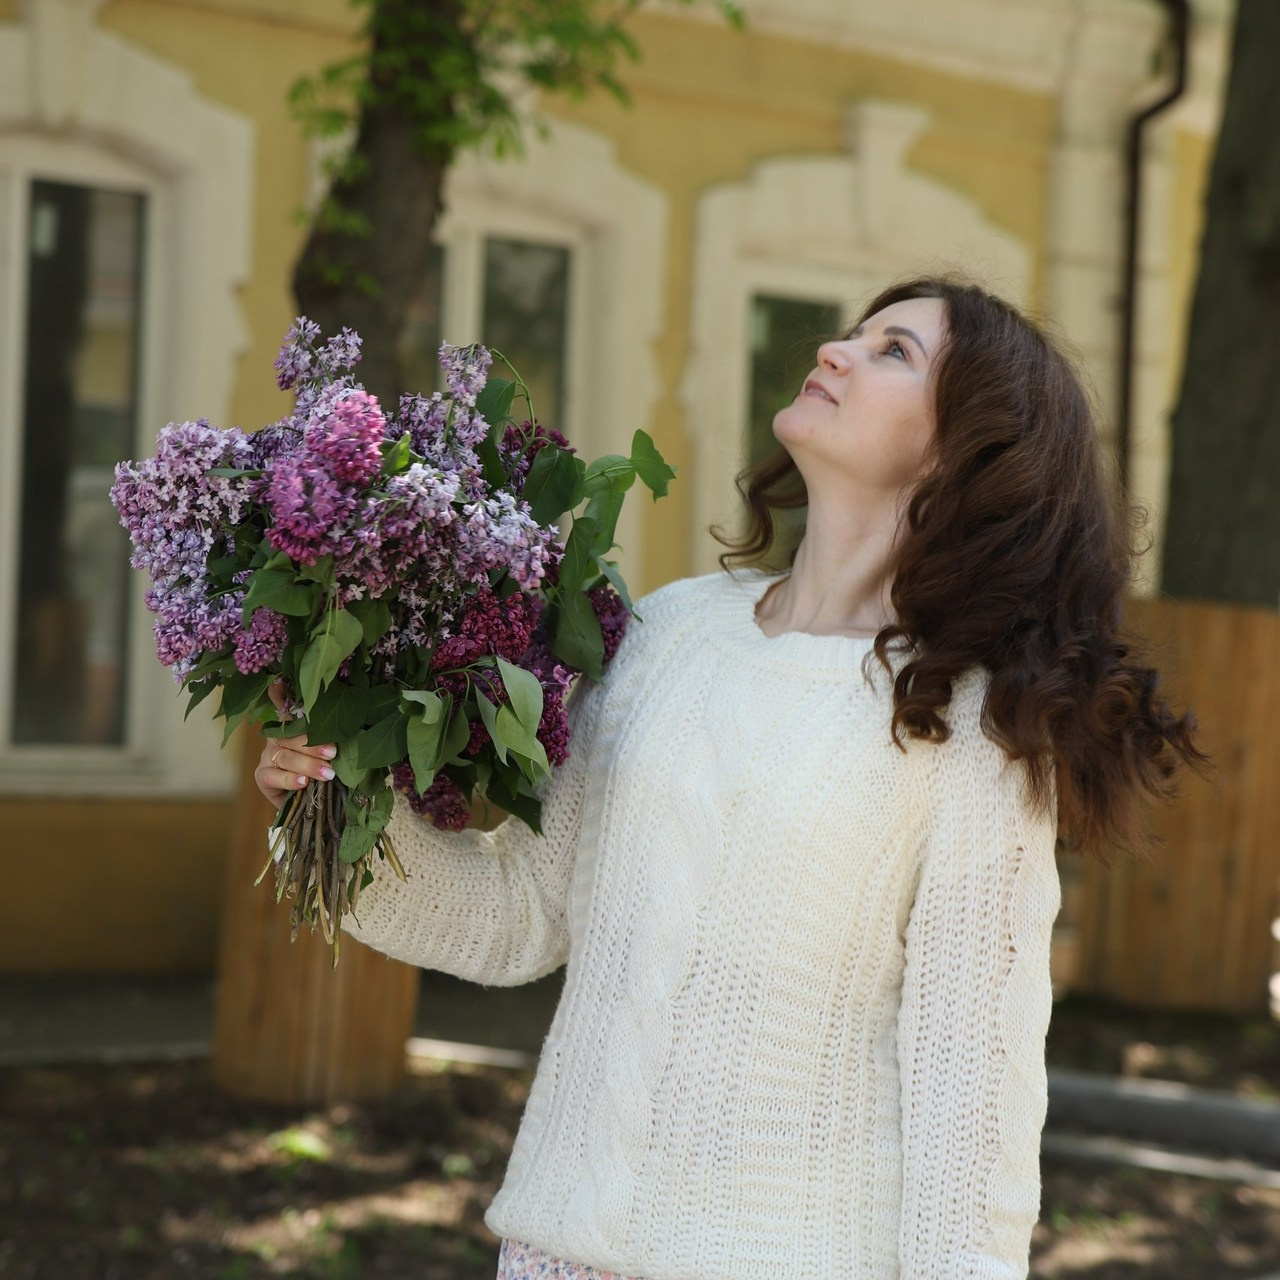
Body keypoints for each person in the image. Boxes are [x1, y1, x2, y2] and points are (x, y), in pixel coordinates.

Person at [255, 275, 1201, 1280]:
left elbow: (971, 1086)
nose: (835, 349)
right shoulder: (667, 629)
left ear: (964, 449)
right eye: (853, 332)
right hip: (558, 1248)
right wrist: (339, 797)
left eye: (893, 352)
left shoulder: (971, 722)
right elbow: (518, 912)